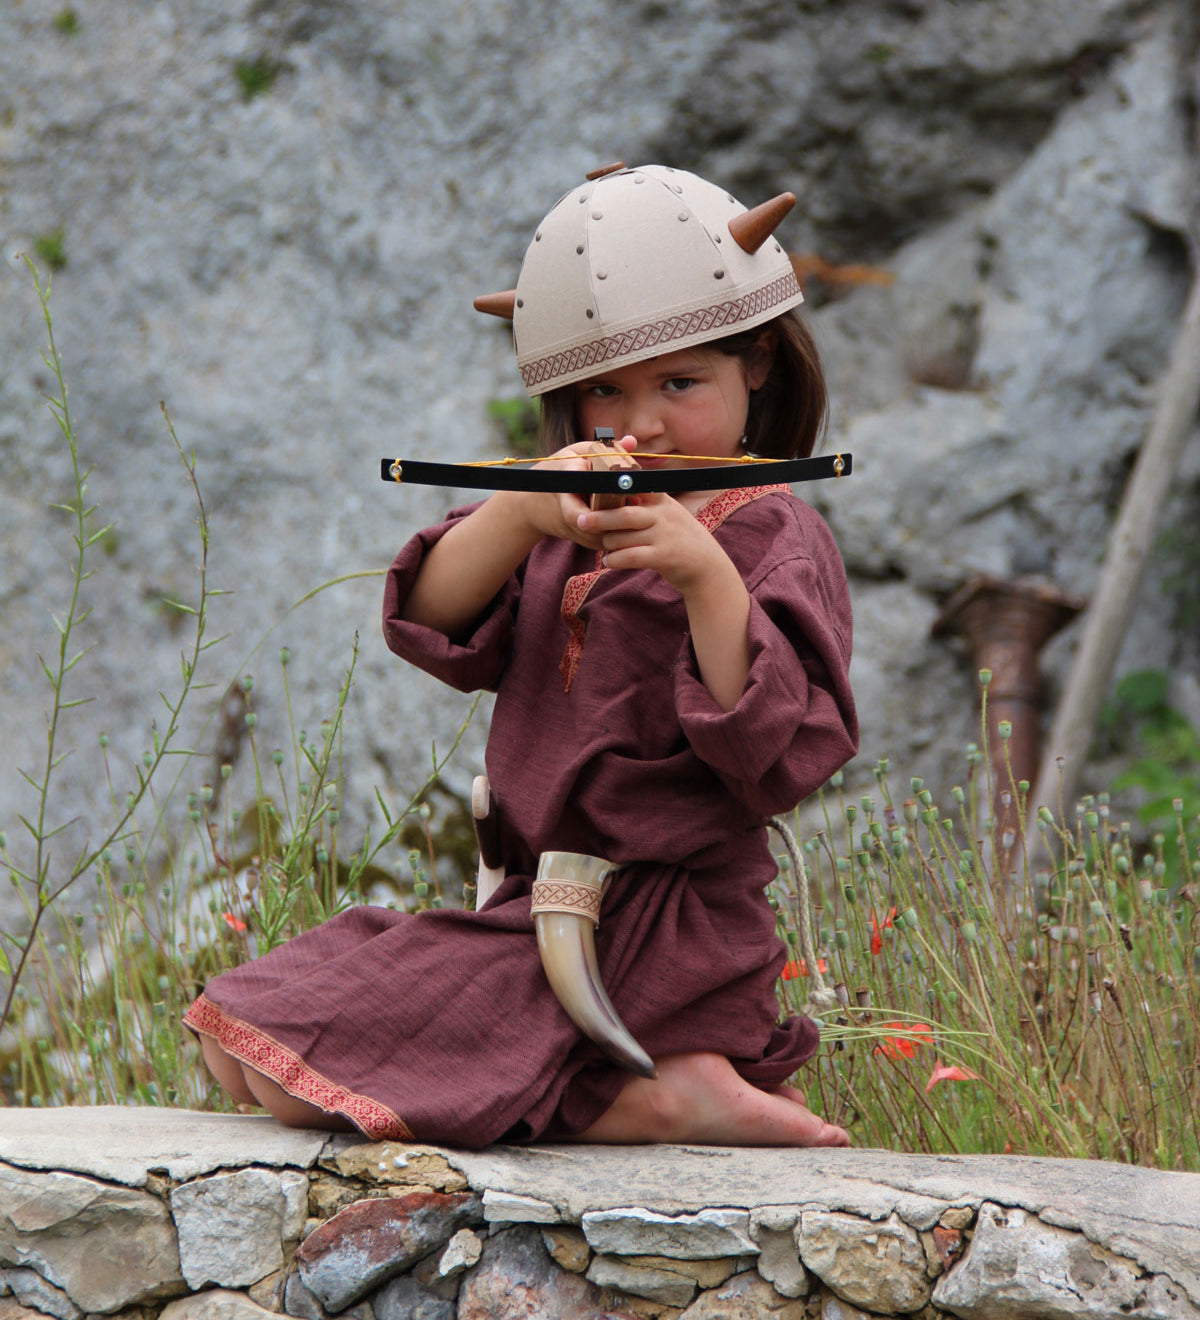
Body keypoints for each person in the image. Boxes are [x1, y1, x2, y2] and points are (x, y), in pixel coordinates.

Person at [185, 163, 857, 1148]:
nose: (646, 422)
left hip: (662, 934)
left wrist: (707, 580)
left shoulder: (772, 535)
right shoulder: (564, 509)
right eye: (605, 393)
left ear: (757, 362)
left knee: (292, 1080)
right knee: (235, 1035)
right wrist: (523, 510)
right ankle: (668, 1088)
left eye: (682, 382)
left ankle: (676, 1092)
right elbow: (436, 614)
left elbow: (771, 747)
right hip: (529, 920)